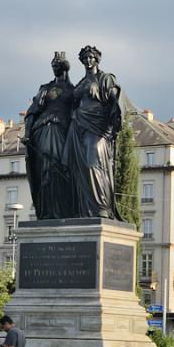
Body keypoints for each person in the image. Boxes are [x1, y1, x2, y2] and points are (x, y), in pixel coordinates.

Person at [61, 45, 123, 219]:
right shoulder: (81, 83)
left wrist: (115, 121)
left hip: (97, 126)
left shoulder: (105, 78)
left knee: (92, 164)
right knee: (78, 168)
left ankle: (101, 207)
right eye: (85, 58)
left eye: (91, 57)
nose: (88, 60)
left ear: (97, 59)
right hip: (77, 125)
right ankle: (84, 210)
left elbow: (115, 101)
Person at [24, 51, 75, 219]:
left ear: (64, 68)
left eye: (57, 66)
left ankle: (63, 209)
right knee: (46, 167)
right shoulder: (45, 88)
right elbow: (32, 112)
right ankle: (47, 210)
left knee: (60, 168)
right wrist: (27, 133)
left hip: (64, 132)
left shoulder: (74, 90)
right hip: (45, 130)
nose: (54, 69)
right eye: (52, 66)